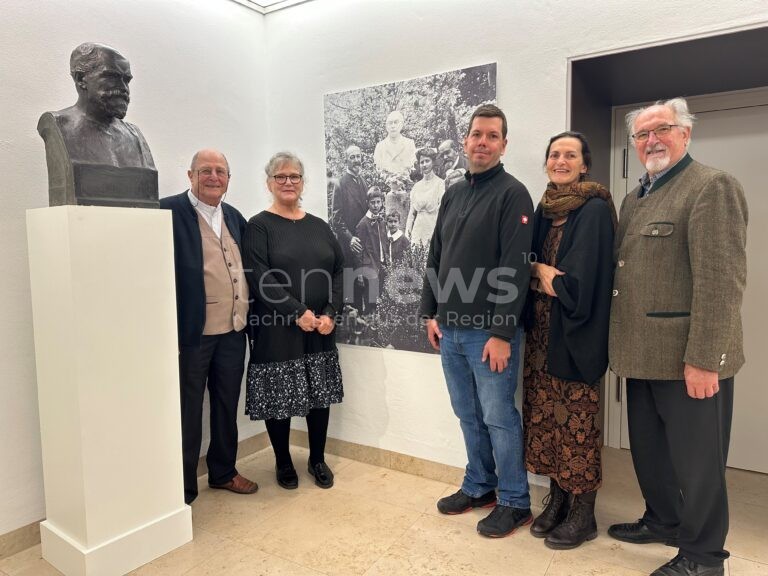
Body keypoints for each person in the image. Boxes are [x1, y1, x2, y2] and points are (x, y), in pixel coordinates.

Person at [608, 98, 748, 576]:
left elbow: (721, 281)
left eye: (662, 130)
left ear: (685, 134)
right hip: (639, 354)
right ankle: (663, 520)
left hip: (689, 359)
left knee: (698, 465)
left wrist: (707, 357)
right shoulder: (635, 197)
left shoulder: (711, 186)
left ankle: (704, 557)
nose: (652, 141)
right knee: (651, 454)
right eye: (643, 135)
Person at [420, 104, 534, 538]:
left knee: (499, 416)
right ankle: (479, 485)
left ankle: (514, 501)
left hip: (489, 333)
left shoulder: (513, 193)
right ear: (466, 141)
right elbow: (436, 253)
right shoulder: (453, 192)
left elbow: (515, 266)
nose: (482, 142)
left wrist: (503, 332)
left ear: (504, 144)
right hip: (449, 330)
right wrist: (430, 312)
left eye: (491, 136)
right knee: (467, 414)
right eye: (476, 135)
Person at [523, 132, 617, 550]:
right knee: (545, 421)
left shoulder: (593, 210)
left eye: (570, 155)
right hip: (542, 339)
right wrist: (538, 272)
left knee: (576, 424)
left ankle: (584, 513)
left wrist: (539, 272)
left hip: (575, 336)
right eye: (554, 154)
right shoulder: (544, 209)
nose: (561, 160)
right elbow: (524, 266)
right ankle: (558, 500)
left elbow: (576, 285)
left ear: (585, 165)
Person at [160, 149, 258, 504]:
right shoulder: (167, 212)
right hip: (192, 336)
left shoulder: (234, 216)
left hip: (233, 332)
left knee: (225, 404)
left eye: (221, 171)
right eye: (206, 171)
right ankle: (182, 488)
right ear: (190, 176)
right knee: (187, 411)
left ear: (229, 179)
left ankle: (223, 472)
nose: (214, 177)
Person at [242, 152, 344, 490]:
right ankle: (283, 461)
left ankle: (317, 459)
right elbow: (259, 277)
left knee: (319, 395)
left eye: (295, 176)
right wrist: (296, 311)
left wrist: (331, 313)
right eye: (281, 176)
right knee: (279, 396)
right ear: (269, 182)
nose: (288, 182)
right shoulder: (259, 226)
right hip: (277, 327)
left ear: (303, 182)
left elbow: (338, 272)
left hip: (319, 327)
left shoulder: (319, 226)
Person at [38, 42, 157, 207]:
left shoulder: (134, 136)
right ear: (81, 79)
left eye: (126, 80)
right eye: (112, 77)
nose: (124, 88)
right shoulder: (59, 125)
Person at [330, 145, 368, 310]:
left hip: (363, 240)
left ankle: (363, 326)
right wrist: (350, 238)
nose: (356, 160)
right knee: (350, 287)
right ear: (346, 160)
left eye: (358, 157)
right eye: (352, 157)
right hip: (348, 243)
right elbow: (336, 218)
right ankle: (351, 330)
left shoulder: (363, 181)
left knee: (364, 283)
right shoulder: (341, 183)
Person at [354, 186, 388, 318]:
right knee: (370, 300)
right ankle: (368, 329)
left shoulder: (381, 220)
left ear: (382, 202)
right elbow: (358, 250)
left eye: (378, 202)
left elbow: (383, 243)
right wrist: (360, 273)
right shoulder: (362, 224)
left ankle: (377, 328)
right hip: (369, 267)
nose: (375, 205)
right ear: (367, 203)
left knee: (380, 297)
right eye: (373, 202)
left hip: (380, 265)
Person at [405, 147, 444, 247]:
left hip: (433, 228)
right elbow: (412, 214)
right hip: (417, 231)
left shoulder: (440, 184)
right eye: (422, 162)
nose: (424, 165)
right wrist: (407, 234)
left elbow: (442, 213)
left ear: (433, 162)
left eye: (427, 161)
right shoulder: (416, 187)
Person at [373, 110, 417, 177]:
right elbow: (378, 169)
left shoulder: (410, 144)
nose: (393, 126)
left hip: (406, 184)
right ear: (386, 126)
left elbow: (412, 167)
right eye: (390, 123)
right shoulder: (380, 146)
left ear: (401, 124)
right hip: (385, 185)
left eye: (396, 122)